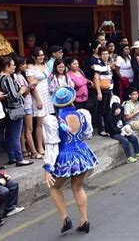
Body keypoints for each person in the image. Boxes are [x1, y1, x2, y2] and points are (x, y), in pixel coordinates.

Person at [42, 87, 99, 234]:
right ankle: (84, 220)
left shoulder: (53, 120)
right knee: (78, 188)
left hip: (65, 157)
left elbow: (52, 145)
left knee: (55, 187)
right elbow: (87, 134)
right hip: (82, 153)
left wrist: (48, 167)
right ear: (72, 100)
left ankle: (65, 218)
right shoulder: (83, 114)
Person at [0, 57, 33, 166]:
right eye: (12, 65)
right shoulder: (7, 78)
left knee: (8, 134)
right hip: (14, 109)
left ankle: (12, 157)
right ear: (7, 67)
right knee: (16, 135)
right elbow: (14, 97)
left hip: (7, 110)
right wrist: (22, 90)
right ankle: (19, 158)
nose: (14, 67)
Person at [27, 47, 55, 155]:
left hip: (47, 93)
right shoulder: (30, 67)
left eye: (42, 55)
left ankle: (47, 143)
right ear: (34, 56)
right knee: (39, 122)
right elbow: (32, 85)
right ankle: (40, 146)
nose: (41, 57)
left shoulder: (45, 65)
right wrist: (38, 100)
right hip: (38, 94)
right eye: (39, 55)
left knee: (48, 120)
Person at [14, 56, 42, 159]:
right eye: (23, 64)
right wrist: (31, 85)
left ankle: (24, 150)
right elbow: (22, 93)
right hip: (26, 105)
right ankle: (34, 152)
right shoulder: (18, 77)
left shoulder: (20, 76)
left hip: (26, 104)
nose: (25, 65)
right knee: (29, 129)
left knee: (23, 130)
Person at [93, 47, 113, 137]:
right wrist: (99, 92)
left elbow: (109, 78)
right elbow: (96, 79)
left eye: (107, 54)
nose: (105, 56)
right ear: (100, 55)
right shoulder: (98, 64)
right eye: (103, 54)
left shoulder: (107, 64)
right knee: (100, 111)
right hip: (102, 90)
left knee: (107, 110)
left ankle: (108, 127)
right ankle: (101, 129)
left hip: (108, 90)